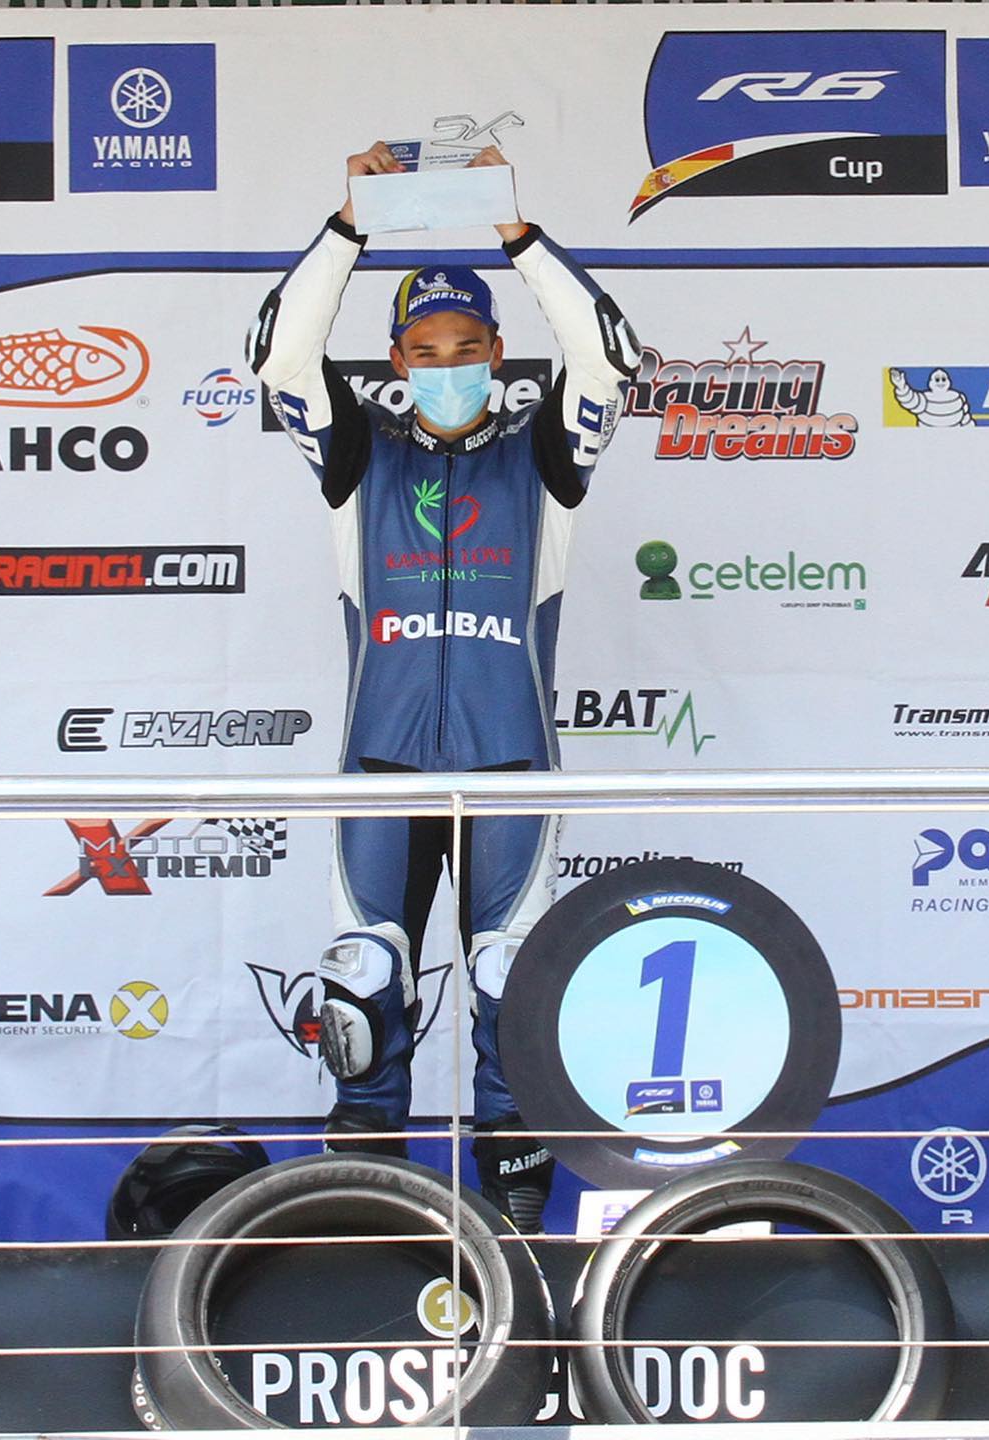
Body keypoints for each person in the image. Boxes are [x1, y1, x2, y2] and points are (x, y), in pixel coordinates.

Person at [248, 141, 639, 1229]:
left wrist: (518, 234)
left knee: (515, 997)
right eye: (425, 350)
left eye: (469, 346)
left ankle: (517, 1241)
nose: (448, 363)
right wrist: (347, 225)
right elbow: (279, 356)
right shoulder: (357, 459)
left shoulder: (547, 460)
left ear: (499, 352)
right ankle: (366, 1230)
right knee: (362, 991)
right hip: (380, 767)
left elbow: (608, 360)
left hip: (511, 766)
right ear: (398, 358)